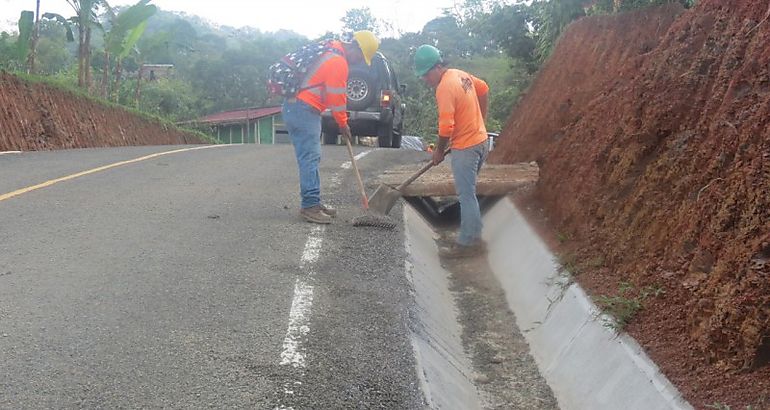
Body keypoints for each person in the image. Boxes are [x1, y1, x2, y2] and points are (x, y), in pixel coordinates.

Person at [282, 30, 380, 224]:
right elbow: (337, 99)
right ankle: (310, 206)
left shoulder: (332, 51)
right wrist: (343, 124)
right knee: (310, 156)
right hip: (303, 108)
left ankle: (314, 202)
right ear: (356, 48)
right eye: (360, 57)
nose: (359, 61)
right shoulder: (338, 62)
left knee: (312, 155)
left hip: (300, 107)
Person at [414, 44, 490, 258]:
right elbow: (484, 88)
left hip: (466, 148)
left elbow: (446, 127)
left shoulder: (444, 88)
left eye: (426, 74)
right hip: (481, 142)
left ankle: (468, 244)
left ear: (437, 67)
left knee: (466, 196)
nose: (425, 79)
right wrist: (481, 121)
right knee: (469, 194)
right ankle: (473, 236)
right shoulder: (460, 74)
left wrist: (438, 151)